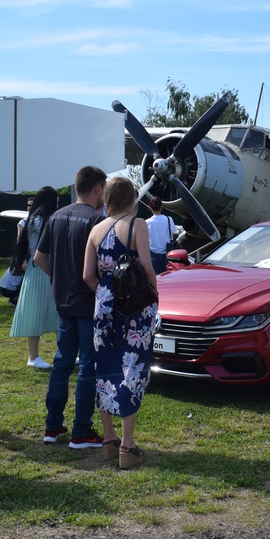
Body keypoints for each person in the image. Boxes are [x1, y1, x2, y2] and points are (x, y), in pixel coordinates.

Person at [83, 177, 159, 468]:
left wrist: (105, 294)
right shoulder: (137, 224)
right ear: (131, 198)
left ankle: (109, 438)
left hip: (104, 307)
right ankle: (128, 444)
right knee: (132, 368)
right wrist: (153, 295)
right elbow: (147, 267)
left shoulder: (96, 229)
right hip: (134, 307)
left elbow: (87, 275)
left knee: (105, 368)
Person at [36, 165, 108, 449]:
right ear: (98, 189)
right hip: (89, 302)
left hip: (63, 302)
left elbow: (39, 257)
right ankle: (81, 431)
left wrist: (59, 277)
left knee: (62, 363)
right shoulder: (96, 220)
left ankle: (52, 427)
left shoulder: (55, 216)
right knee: (88, 367)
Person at [10, 187, 61, 370]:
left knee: (43, 311)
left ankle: (37, 355)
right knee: (39, 311)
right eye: (56, 202)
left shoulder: (34, 220)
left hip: (37, 268)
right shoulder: (41, 221)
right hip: (42, 267)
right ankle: (34, 356)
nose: (57, 206)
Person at [145, 196, 176, 275]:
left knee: (154, 277)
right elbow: (173, 232)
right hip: (167, 252)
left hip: (153, 253)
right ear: (161, 206)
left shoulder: (147, 222)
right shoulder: (169, 219)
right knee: (166, 276)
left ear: (150, 207)